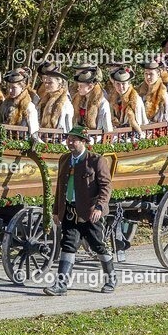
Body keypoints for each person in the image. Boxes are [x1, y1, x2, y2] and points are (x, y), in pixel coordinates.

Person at [44, 125, 115, 296]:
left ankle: (111, 279)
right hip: (69, 211)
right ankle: (61, 285)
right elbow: (60, 187)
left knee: (98, 246)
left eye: (74, 139)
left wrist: (99, 207)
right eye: (69, 139)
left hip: (90, 213)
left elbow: (106, 186)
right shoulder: (64, 159)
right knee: (68, 246)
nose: (70, 142)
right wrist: (56, 210)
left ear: (83, 142)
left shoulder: (96, 160)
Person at [0, 69, 39, 140]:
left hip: (22, 140)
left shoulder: (28, 106)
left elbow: (34, 129)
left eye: (14, 88)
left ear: (22, 88)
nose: (10, 91)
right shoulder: (5, 104)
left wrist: (34, 139)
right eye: (9, 87)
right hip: (5, 139)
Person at [107, 67, 147, 138]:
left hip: (133, 133)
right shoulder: (113, 99)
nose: (120, 87)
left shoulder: (135, 99)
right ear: (114, 84)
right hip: (117, 133)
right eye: (118, 84)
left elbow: (139, 122)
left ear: (128, 84)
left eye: (123, 84)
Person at [71, 66, 112, 134]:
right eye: (78, 86)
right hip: (79, 135)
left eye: (81, 86)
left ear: (90, 86)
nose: (78, 89)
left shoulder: (103, 103)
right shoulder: (79, 101)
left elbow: (107, 127)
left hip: (95, 137)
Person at [36, 63, 74, 132]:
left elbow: (66, 127)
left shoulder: (65, 102)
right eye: (45, 82)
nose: (46, 85)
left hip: (57, 138)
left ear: (59, 85)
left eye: (50, 83)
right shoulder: (44, 100)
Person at [139, 61, 168, 126]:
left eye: (151, 74)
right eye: (146, 74)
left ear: (158, 74)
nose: (148, 77)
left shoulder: (163, 94)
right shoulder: (140, 91)